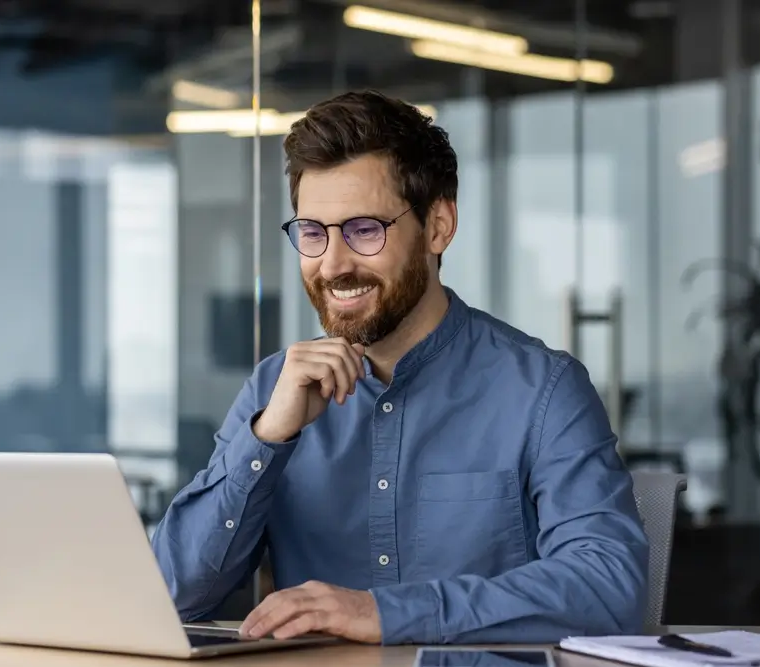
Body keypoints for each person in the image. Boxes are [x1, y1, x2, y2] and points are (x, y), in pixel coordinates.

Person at [152, 90, 650, 646]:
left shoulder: (543, 390)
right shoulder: (275, 389)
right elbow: (170, 595)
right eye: (313, 233)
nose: (333, 264)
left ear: (438, 226)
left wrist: (385, 613)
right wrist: (267, 437)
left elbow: (610, 588)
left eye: (365, 230)